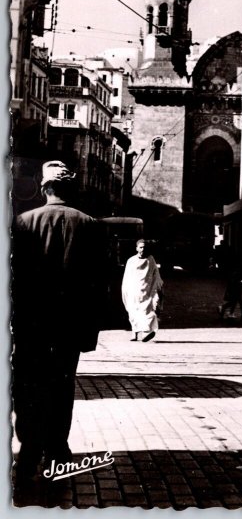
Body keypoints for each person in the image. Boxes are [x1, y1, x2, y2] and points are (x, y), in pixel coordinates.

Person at [11, 161, 105, 481]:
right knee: (62, 385)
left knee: (27, 385)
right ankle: (56, 449)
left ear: (44, 188)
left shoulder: (23, 223)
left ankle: (28, 450)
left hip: (30, 325)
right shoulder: (91, 225)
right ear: (70, 188)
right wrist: (90, 331)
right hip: (69, 326)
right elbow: (97, 284)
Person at [122, 239, 163, 342]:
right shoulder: (131, 261)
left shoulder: (150, 259)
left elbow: (155, 274)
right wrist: (126, 289)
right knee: (133, 311)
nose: (142, 249)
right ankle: (134, 333)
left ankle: (146, 333)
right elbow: (127, 277)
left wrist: (156, 287)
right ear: (136, 248)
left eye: (144, 247)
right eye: (140, 247)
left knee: (146, 311)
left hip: (147, 291)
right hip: (134, 290)